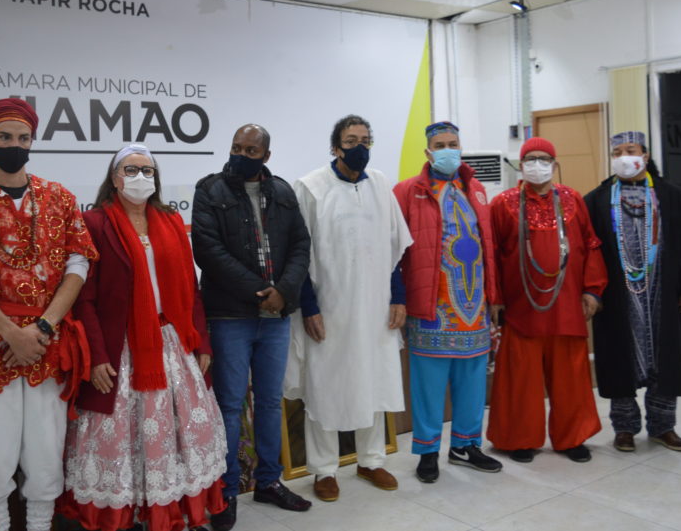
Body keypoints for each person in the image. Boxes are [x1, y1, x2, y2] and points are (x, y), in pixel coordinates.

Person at [0, 98, 98, 531]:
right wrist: (11, 332)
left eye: (23, 138)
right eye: (4, 137)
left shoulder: (60, 197)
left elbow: (78, 264)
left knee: (47, 446)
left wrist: (42, 327)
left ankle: (41, 525)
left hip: (48, 340)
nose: (15, 145)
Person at [59, 144, 228, 531]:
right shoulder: (95, 223)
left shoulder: (170, 220)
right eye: (131, 170)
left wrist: (200, 341)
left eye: (147, 171)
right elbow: (84, 298)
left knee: (178, 439)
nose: (140, 177)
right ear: (115, 178)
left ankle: (166, 516)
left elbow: (190, 288)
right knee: (122, 443)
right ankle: (124, 518)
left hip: (172, 343)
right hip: (120, 349)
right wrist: (97, 356)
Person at [285, 114, 412, 502]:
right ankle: (324, 469)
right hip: (329, 307)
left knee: (373, 379)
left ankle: (371, 460)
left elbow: (394, 247)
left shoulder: (380, 184)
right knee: (326, 385)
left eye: (365, 140)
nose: (360, 147)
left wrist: (398, 296)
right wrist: (309, 307)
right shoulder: (311, 187)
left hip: (375, 307)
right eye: (351, 140)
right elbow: (299, 252)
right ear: (335, 147)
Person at [191, 124, 313, 530]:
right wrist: (260, 292)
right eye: (236, 147)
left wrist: (284, 291)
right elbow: (208, 251)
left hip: (275, 318)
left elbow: (301, 245)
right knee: (230, 405)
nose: (240, 155)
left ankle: (268, 482)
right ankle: (226, 492)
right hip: (230, 316)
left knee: (270, 402)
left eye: (250, 150)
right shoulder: (210, 190)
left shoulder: (282, 191)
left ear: (266, 156)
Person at [393, 121, 503, 484]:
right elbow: (394, 250)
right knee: (429, 383)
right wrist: (398, 298)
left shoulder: (477, 190)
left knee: (472, 381)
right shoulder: (408, 191)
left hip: (474, 304)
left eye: (452, 143)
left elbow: (489, 247)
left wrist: (494, 297)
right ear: (428, 152)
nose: (447, 150)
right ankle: (427, 451)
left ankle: (466, 445)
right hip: (432, 305)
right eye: (439, 145)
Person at [487, 136, 607, 464]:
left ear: (554, 165)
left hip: (567, 306)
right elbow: (492, 254)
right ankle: (519, 439)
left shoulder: (573, 199)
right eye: (530, 159)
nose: (537, 165)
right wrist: (495, 298)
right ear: (521, 165)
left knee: (571, 376)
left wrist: (592, 290)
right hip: (520, 307)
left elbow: (591, 245)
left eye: (544, 159)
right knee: (520, 378)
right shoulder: (502, 204)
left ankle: (572, 438)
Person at [585, 131, 681, 453]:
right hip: (616, 296)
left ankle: (664, 426)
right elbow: (587, 251)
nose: (624, 157)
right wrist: (590, 291)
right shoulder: (596, 199)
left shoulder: (671, 196)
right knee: (618, 359)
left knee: (666, 360)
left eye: (631, 150)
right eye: (617, 152)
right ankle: (624, 428)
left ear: (645, 156)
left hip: (663, 295)